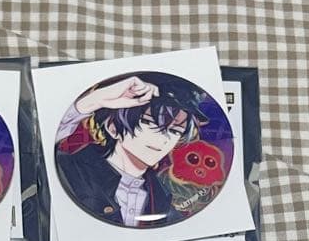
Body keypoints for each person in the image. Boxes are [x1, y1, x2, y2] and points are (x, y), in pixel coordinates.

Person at [55, 72, 208, 227]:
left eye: (175, 131)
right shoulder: (69, 168)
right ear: (113, 127)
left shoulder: (161, 199)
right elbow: (43, 142)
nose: (163, 139)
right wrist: (94, 101)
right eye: (150, 123)